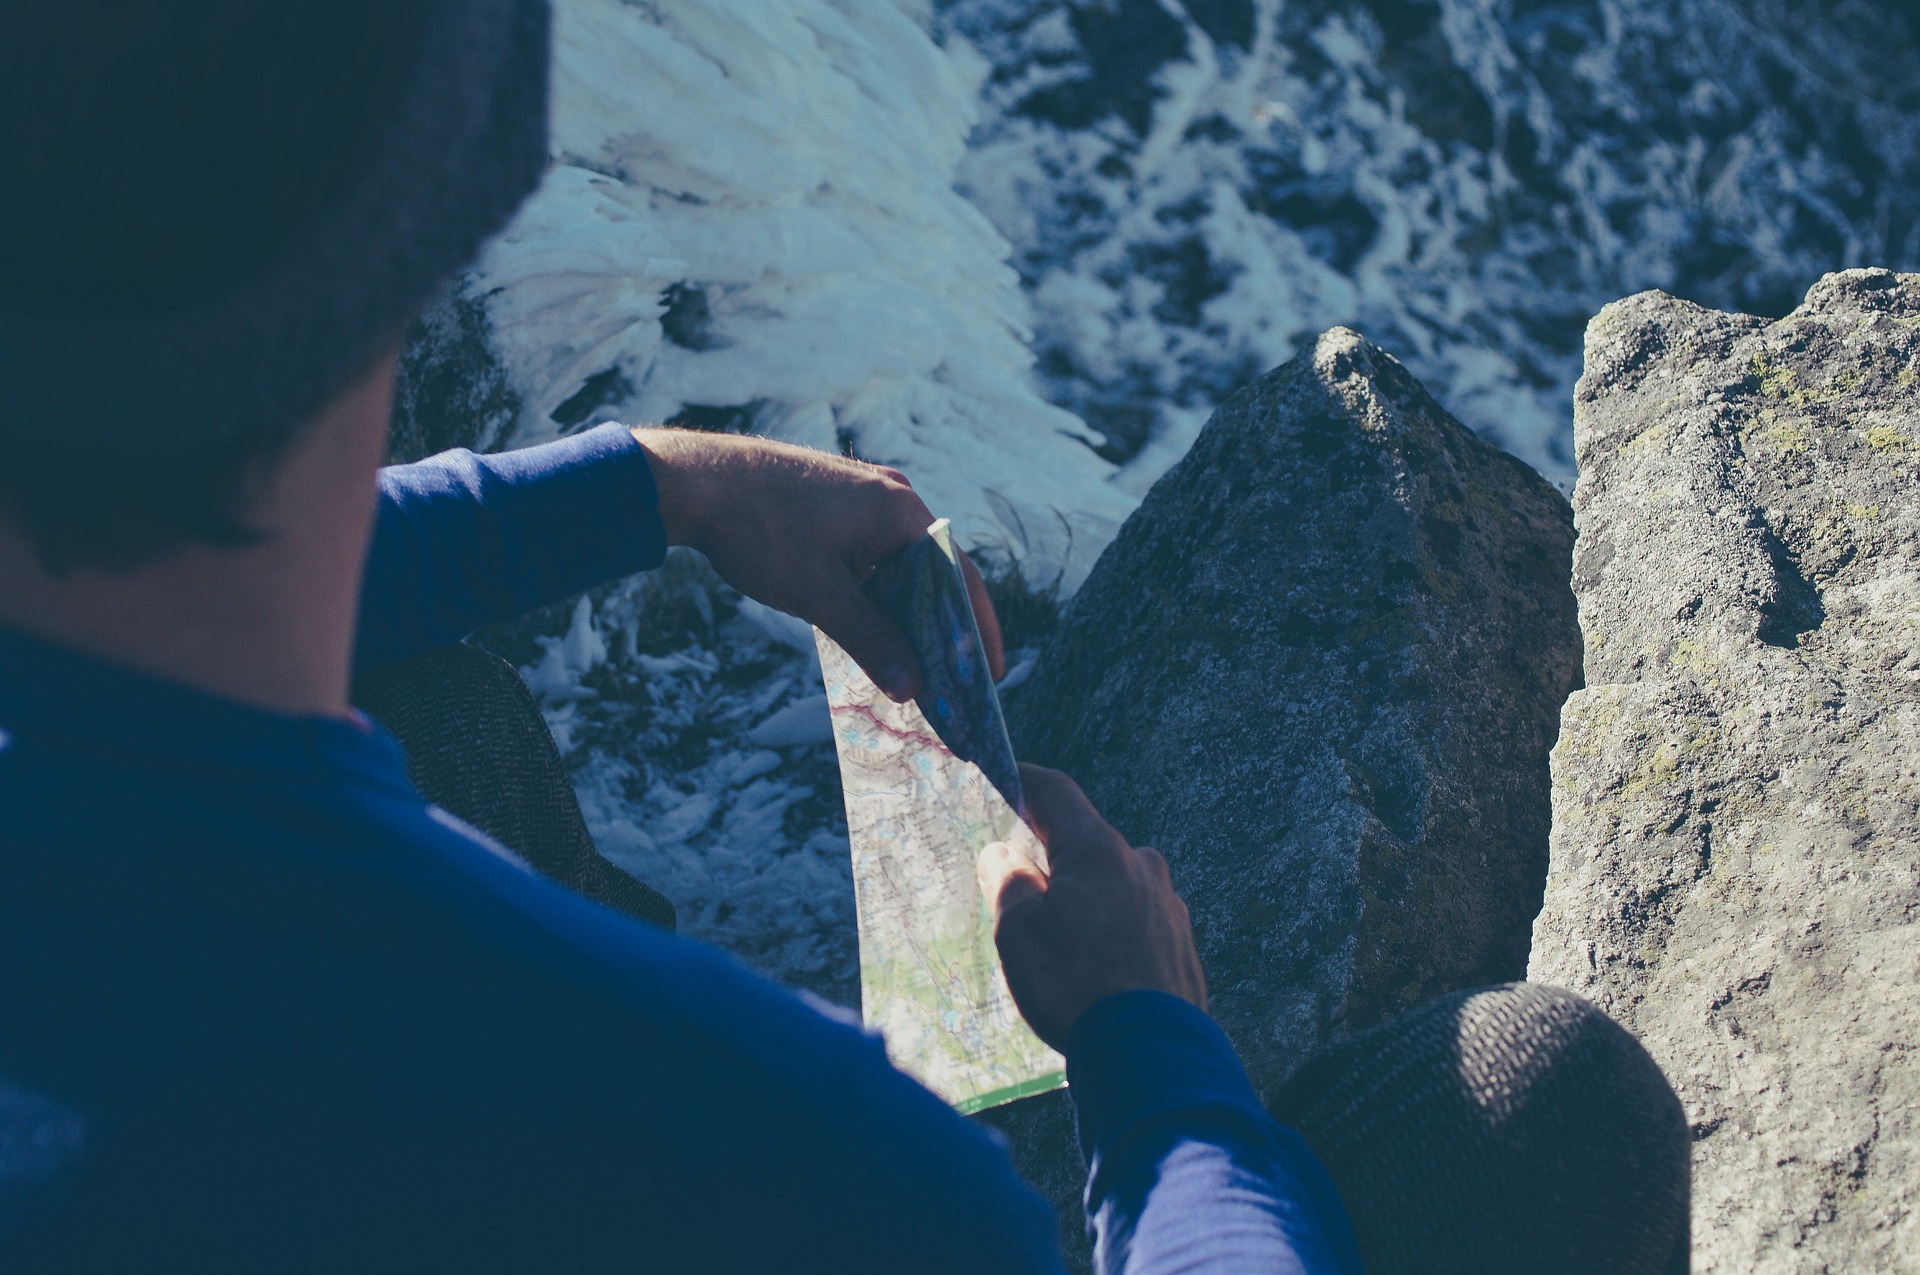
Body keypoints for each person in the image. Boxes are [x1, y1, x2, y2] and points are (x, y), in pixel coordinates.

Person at [0, 2, 1690, 1271]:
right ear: (449, 208)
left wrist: (659, 484)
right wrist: (1150, 1056)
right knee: (1543, 1107)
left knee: (434, 702)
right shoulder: (795, 1160)